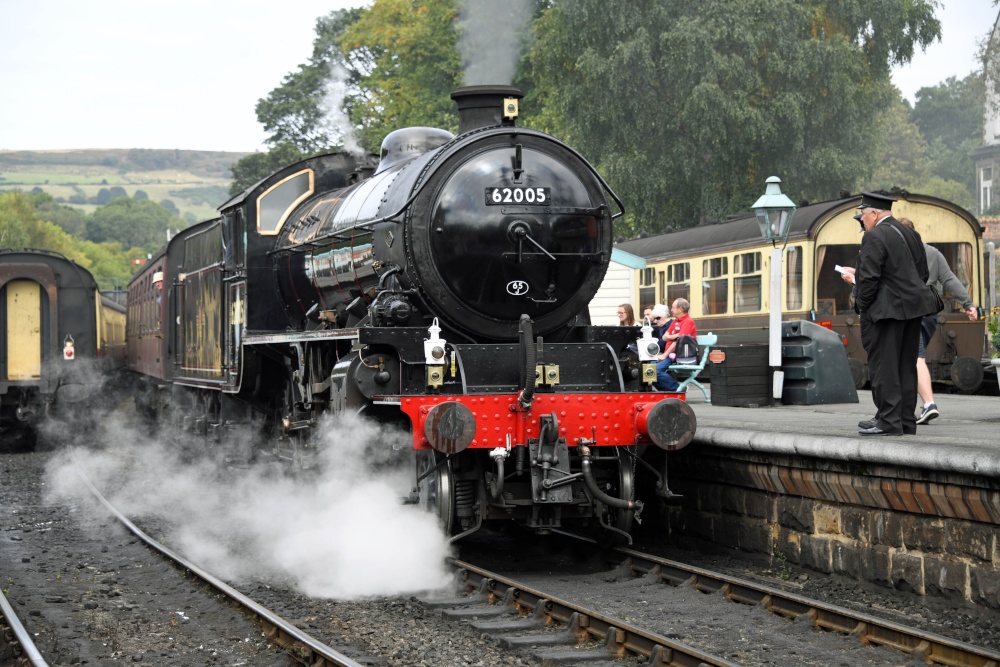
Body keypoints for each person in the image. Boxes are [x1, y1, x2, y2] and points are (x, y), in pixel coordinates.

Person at [853, 192, 939, 436]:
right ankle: (905, 421)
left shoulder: (874, 236)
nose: (862, 220)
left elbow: (869, 278)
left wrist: (862, 304)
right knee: (906, 366)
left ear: (874, 213)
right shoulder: (911, 234)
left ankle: (889, 421)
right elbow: (922, 272)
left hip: (886, 312)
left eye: (863, 214)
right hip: (914, 310)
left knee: (885, 366)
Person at [896, 217, 979, 424]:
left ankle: (928, 404)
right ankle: (905, 409)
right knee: (909, 359)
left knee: (915, 357)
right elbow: (949, 279)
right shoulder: (932, 252)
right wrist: (968, 304)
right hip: (930, 314)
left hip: (910, 312)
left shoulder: (898, 253)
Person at [652, 298, 696, 391]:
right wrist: (675, 336)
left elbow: (678, 342)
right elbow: (664, 337)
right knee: (648, 369)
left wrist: (664, 355)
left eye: (673, 308)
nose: (671, 310)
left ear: (680, 309)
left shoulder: (688, 321)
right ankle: (666, 391)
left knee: (655, 370)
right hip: (671, 355)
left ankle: (678, 389)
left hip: (679, 355)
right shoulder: (675, 321)